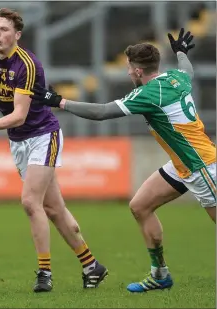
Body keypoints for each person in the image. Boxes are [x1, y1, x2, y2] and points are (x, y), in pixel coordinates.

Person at [30, 28, 216, 293]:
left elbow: (102, 112)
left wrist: (58, 101)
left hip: (202, 167)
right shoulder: (175, 77)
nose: (128, 72)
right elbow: (189, 71)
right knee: (140, 206)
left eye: (130, 68)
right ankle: (160, 274)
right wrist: (182, 53)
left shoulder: (148, 94)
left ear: (139, 71)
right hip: (182, 165)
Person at [0, 8, 108, 293]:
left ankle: (44, 272)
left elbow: (19, 115)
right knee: (54, 209)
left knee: (30, 202)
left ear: (17, 35)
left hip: (43, 135)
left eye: (4, 30)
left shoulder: (28, 65)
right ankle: (91, 265)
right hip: (18, 141)